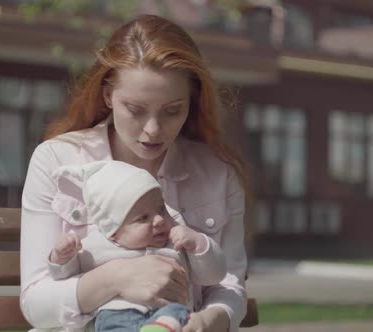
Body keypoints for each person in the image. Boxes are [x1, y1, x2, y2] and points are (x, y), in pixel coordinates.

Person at [20, 14, 248, 332]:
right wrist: (119, 277)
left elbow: (229, 286)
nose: (153, 130)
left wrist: (212, 320)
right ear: (107, 96)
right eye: (135, 110)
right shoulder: (56, 160)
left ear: (192, 102)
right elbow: (36, 304)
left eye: (172, 111)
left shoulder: (217, 174)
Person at [48, 160, 227, 332]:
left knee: (179, 316)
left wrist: (199, 245)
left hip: (168, 309)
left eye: (161, 209)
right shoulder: (97, 247)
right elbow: (64, 278)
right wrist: (62, 257)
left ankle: (161, 328)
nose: (158, 220)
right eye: (143, 218)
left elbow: (213, 276)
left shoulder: (177, 242)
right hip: (118, 313)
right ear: (113, 232)